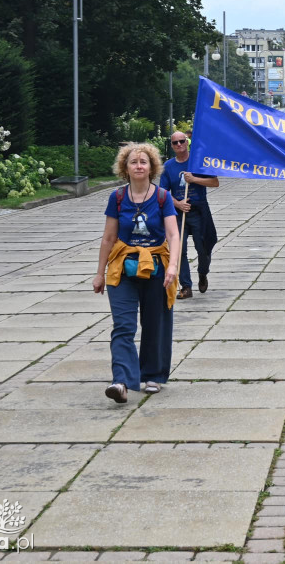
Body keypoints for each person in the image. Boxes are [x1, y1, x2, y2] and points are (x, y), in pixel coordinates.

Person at [94, 142, 180, 402]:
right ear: (125, 168)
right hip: (122, 267)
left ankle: (152, 374)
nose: (139, 166)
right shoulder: (117, 197)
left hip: (156, 266)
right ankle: (121, 381)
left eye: (144, 162)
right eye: (134, 162)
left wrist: (173, 266)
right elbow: (108, 238)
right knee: (123, 325)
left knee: (155, 323)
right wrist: (99, 273)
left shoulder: (163, 197)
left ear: (152, 167)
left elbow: (173, 234)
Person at [159, 131, 220, 299]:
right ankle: (186, 286)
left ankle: (202, 273)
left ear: (187, 142)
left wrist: (194, 179)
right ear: (172, 146)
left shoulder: (198, 161)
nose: (179, 145)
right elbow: (163, 193)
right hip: (178, 214)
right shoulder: (169, 167)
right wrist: (177, 203)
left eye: (181, 141)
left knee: (203, 248)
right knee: (179, 249)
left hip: (199, 211)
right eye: (175, 143)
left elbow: (215, 182)